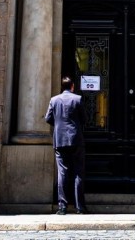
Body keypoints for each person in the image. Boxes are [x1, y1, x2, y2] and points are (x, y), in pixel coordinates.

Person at [43, 75, 87, 214]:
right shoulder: (78, 99)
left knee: (62, 173)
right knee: (78, 172)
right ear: (72, 86)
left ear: (62, 87)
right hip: (75, 139)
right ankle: (80, 207)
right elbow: (84, 119)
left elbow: (48, 118)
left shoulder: (54, 100)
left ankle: (62, 206)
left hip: (60, 140)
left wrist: (59, 125)